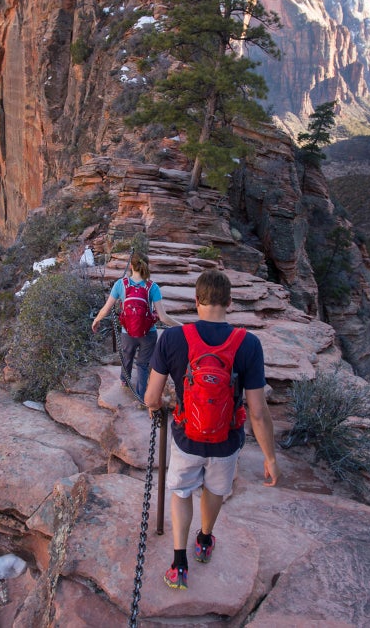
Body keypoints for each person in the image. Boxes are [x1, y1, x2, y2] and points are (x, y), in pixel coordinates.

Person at [143, 268, 279, 591]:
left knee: (181, 491)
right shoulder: (249, 345)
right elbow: (258, 412)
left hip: (186, 436)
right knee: (215, 491)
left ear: (196, 300)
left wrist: (154, 409)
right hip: (226, 441)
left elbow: (151, 396)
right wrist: (270, 457)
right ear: (230, 302)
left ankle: (179, 564)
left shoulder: (173, 339)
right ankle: (204, 541)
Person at [91, 251, 180, 399]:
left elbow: (106, 309)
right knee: (143, 365)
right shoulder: (153, 287)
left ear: (131, 266)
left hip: (127, 333)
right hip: (148, 332)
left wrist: (96, 320)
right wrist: (182, 325)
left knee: (127, 357)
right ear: (146, 266)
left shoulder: (121, 284)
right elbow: (163, 317)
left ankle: (125, 380)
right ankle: (141, 395)